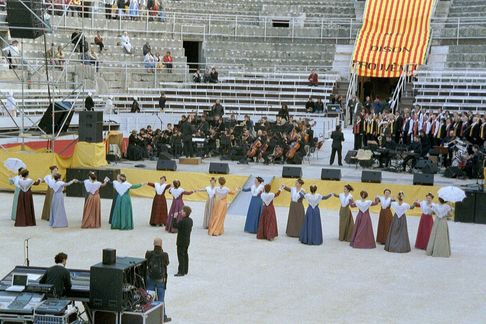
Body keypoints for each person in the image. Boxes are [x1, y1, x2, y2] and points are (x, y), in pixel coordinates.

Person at [145, 238, 171, 322]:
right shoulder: (164, 255)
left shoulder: (149, 253)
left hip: (150, 278)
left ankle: (148, 315)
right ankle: (163, 316)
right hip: (160, 280)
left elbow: (146, 262)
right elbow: (167, 263)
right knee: (161, 299)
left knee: (149, 298)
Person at [173, 206, 193, 276]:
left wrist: (175, 218)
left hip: (181, 241)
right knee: (185, 255)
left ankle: (181, 271)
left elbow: (174, 226)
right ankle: (185, 270)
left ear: (186, 213)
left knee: (180, 256)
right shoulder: (190, 220)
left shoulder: (182, 221)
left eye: (183, 211)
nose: (181, 211)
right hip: (187, 241)